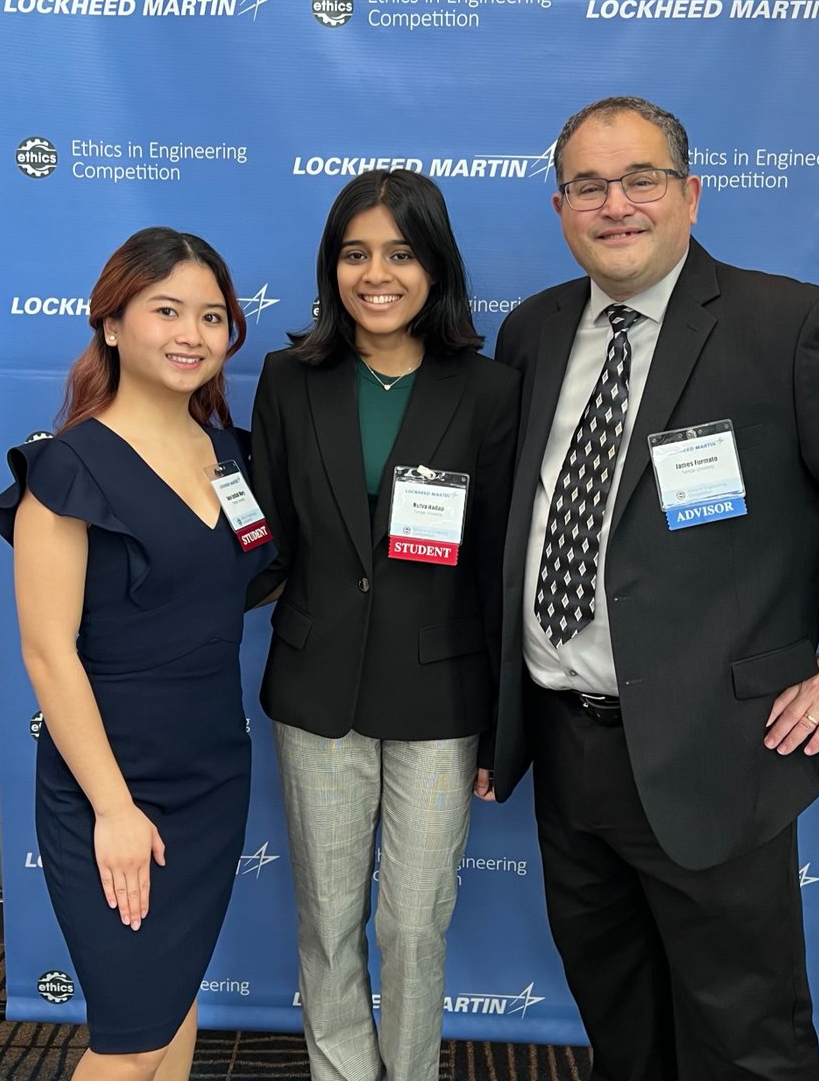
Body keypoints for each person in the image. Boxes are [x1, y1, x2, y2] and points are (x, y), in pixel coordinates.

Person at [484, 96, 819, 1081]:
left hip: (717, 749)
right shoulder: (531, 333)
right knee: (622, 1023)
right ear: (561, 206)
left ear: (690, 194)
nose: (616, 205)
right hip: (568, 750)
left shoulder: (785, 328)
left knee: (745, 1042)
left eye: (641, 179)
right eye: (588, 185)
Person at [0, 227, 275, 1081]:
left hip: (214, 773)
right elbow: (48, 654)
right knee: (133, 1037)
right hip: (110, 783)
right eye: (167, 310)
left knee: (175, 998)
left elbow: (243, 585)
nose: (193, 333)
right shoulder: (66, 468)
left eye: (213, 316)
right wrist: (114, 808)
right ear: (112, 325)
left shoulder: (234, 456)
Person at [250, 169, 519, 1081]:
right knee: (328, 924)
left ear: (435, 268)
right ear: (331, 269)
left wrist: (502, 723)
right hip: (316, 687)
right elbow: (269, 534)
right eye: (355, 253)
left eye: (400, 254)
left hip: (441, 699)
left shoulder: (488, 392)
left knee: (412, 926)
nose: (377, 274)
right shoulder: (290, 380)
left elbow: (495, 565)